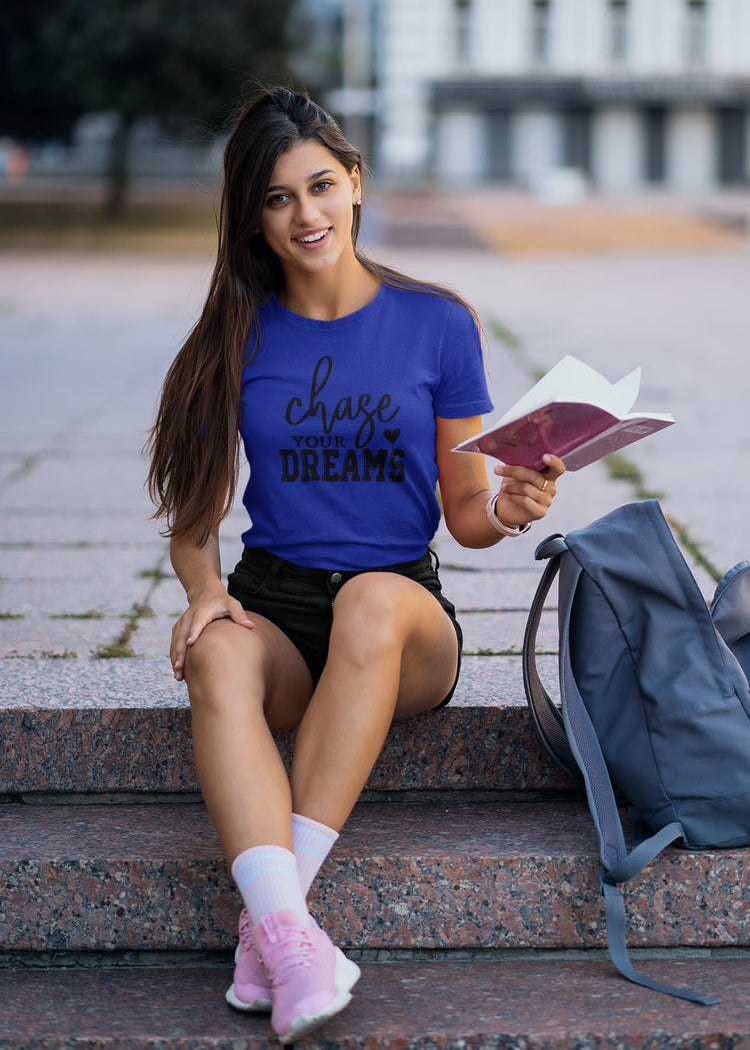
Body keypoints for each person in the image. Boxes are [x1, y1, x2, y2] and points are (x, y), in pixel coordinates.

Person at [146, 85, 565, 1044]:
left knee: (372, 602)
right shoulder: (234, 337)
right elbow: (193, 518)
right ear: (253, 217)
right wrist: (208, 594)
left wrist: (508, 506)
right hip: (278, 604)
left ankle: (273, 920)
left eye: (321, 186)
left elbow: (466, 517)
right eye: (279, 198)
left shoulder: (439, 324)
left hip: (400, 614)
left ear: (357, 183)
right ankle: (288, 938)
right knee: (216, 656)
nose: (307, 215)